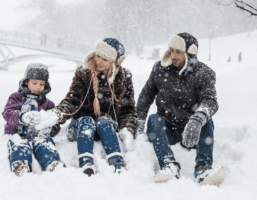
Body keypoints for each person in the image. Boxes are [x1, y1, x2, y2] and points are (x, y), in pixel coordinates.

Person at [136, 33, 226, 186]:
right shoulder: (159, 69)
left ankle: (203, 169)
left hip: (192, 131)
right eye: (171, 50)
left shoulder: (204, 73)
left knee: (207, 120)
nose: (173, 55)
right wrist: (138, 123)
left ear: (189, 54)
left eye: (178, 51)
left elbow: (210, 101)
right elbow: (146, 95)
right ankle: (169, 165)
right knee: (153, 119)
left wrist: (197, 120)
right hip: (166, 129)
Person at [50, 38, 137, 176]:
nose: (98, 61)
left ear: (116, 62)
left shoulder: (124, 77)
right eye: (97, 55)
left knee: (104, 120)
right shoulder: (84, 73)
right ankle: (86, 163)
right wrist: (57, 114)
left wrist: (128, 128)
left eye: (105, 59)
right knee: (87, 121)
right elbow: (73, 100)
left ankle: (117, 163)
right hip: (80, 127)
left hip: (106, 128)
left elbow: (128, 110)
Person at [2, 63, 66, 176]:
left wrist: (50, 129)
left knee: (45, 144)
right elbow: (8, 113)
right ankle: (20, 164)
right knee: (19, 144)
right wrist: (22, 117)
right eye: (34, 83)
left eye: (41, 84)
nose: (38, 87)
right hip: (17, 132)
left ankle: (52, 162)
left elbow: (54, 122)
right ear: (26, 82)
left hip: (38, 135)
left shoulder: (48, 104)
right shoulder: (16, 98)